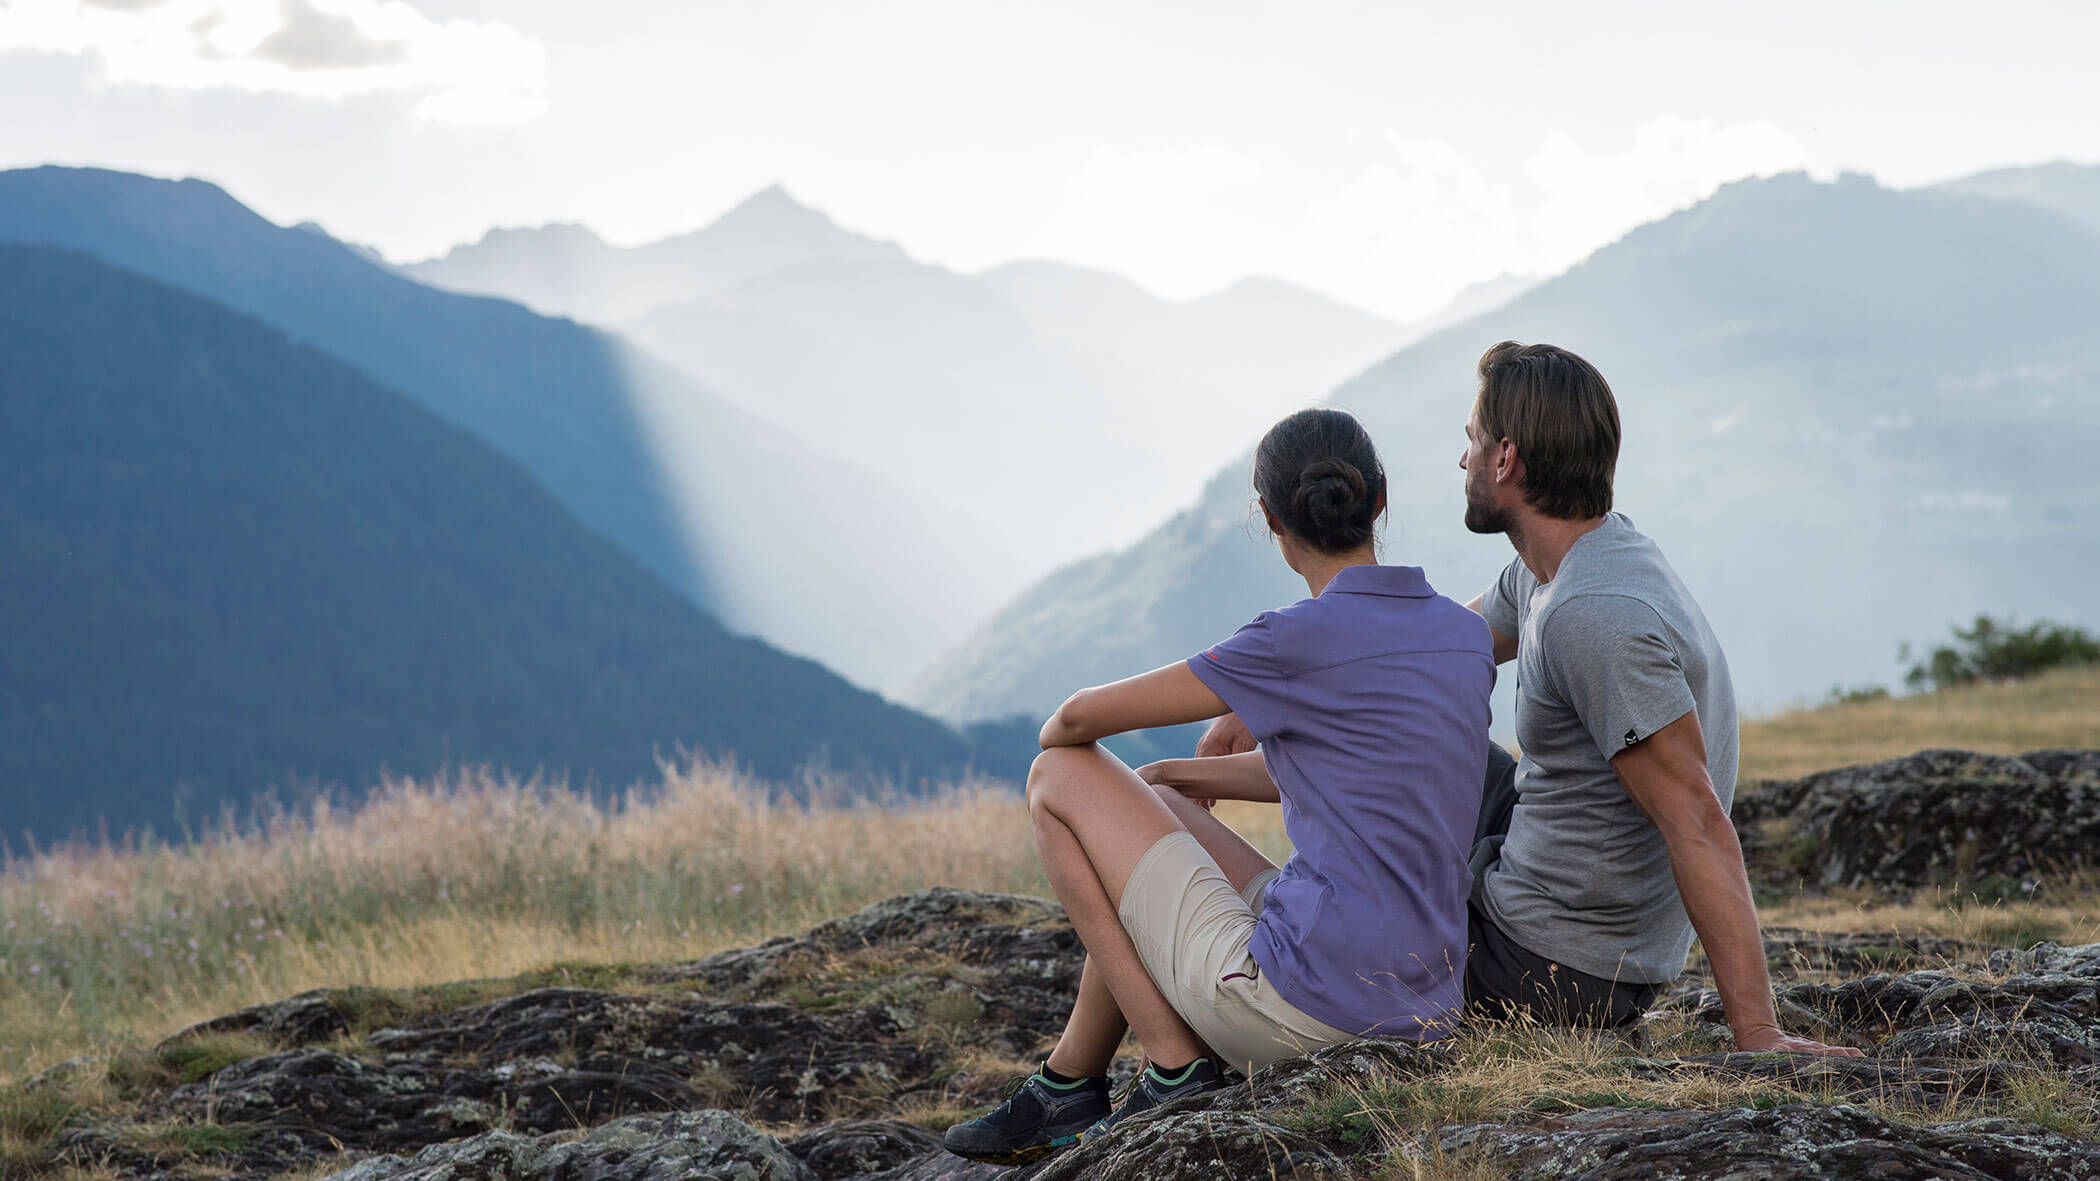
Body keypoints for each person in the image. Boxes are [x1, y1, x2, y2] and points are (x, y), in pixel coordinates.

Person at [1205, 342, 1860, 1054]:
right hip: (1550, 877)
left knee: (1368, 901)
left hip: (1552, 965)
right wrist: (1258, 695)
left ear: (1506, 459)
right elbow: (1424, 652)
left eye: (1472, 442)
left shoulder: (1594, 615)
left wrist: (1758, 1029)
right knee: (1427, 742)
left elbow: (1695, 817)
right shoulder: (1564, 564)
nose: (1463, 462)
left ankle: (1301, 922)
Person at [942, 408, 1497, 1166]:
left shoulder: (1286, 641)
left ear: (1268, 518)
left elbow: (1069, 723)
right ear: (1381, 497)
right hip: (1424, 1005)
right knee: (1151, 796)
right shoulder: (1463, 636)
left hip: (1303, 1010)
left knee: (1057, 777)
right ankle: (1071, 1076)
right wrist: (1174, 777)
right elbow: (1361, 769)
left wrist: (1211, 710)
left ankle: (1173, 1064)